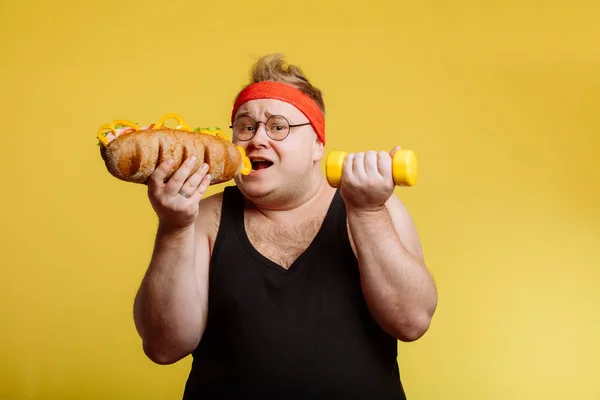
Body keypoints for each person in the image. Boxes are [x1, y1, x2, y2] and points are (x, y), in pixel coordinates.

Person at [132, 53, 438, 399]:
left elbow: (412, 322)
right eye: (246, 126)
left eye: (278, 126)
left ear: (318, 145)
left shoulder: (372, 204)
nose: (257, 139)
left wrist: (367, 213)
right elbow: (163, 347)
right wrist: (173, 228)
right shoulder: (201, 218)